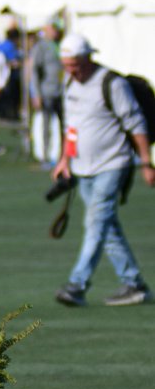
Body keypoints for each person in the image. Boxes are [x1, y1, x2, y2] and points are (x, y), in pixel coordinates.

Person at [53, 33, 154, 307]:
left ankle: (77, 284)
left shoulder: (112, 83)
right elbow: (70, 127)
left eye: (75, 64)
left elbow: (136, 124)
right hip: (83, 168)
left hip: (113, 163)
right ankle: (135, 284)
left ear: (88, 58)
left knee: (95, 223)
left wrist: (146, 161)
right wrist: (65, 159)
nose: (71, 70)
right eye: (67, 65)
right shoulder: (70, 85)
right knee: (106, 227)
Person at [28, 21, 63, 168]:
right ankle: (44, 155)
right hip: (46, 91)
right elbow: (34, 71)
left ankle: (61, 155)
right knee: (45, 124)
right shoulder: (40, 47)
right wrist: (36, 93)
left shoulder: (60, 45)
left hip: (60, 91)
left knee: (63, 125)